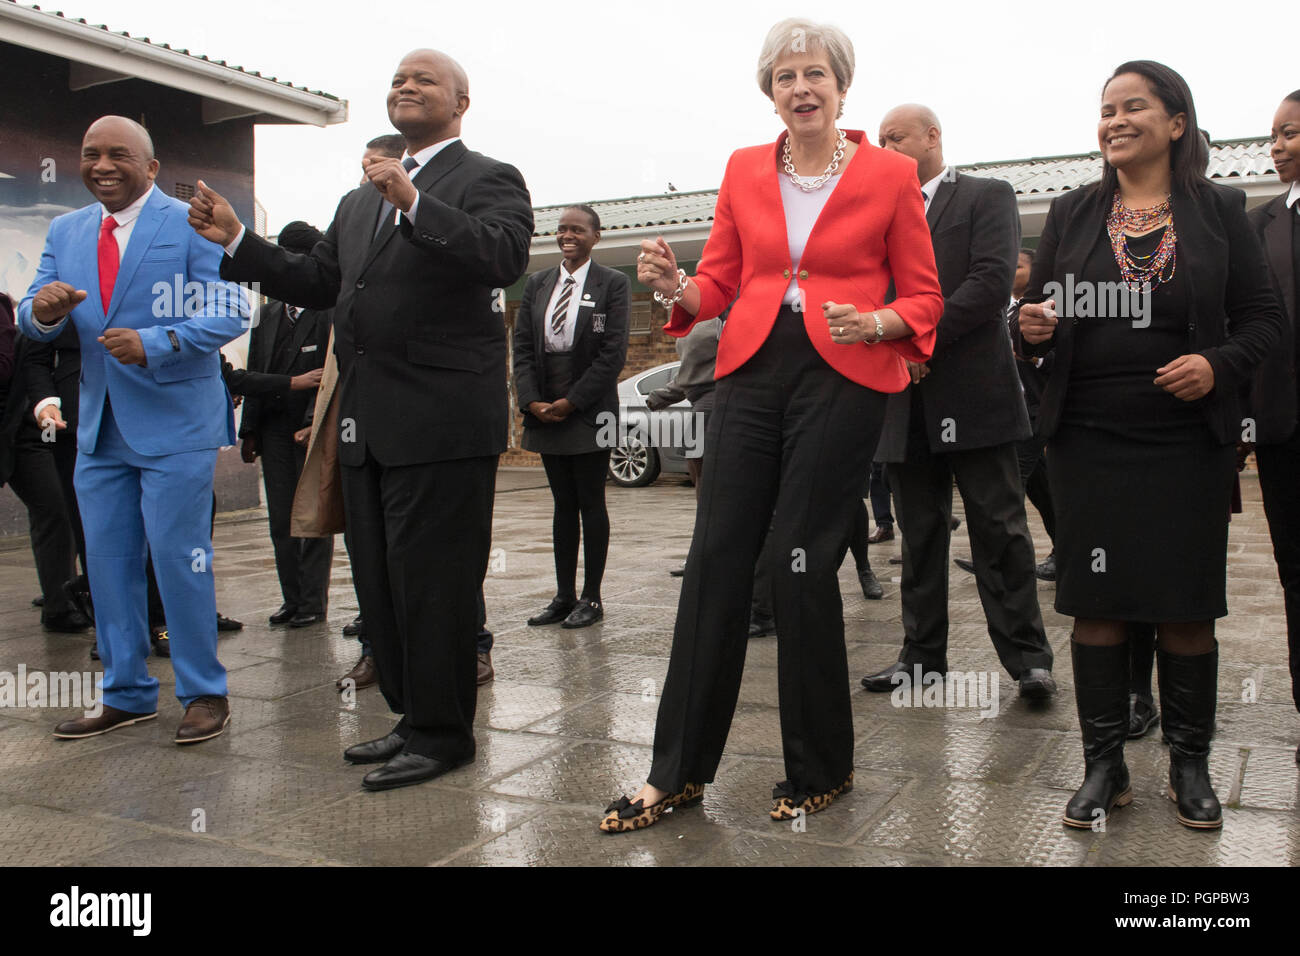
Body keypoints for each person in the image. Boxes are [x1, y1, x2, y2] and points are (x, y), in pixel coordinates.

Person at [600, 18, 943, 833]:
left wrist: (880, 322)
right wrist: (676, 287)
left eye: (815, 73)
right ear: (770, 93)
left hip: (844, 368)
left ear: (841, 85)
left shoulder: (892, 174)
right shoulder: (744, 169)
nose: (801, 88)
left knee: (798, 561)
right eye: (785, 77)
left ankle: (820, 766)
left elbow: (925, 297)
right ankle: (674, 773)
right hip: (751, 367)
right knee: (717, 557)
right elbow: (717, 283)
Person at [188, 49, 534, 791]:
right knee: (382, 587)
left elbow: (501, 256)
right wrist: (239, 242)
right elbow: (320, 284)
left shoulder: (486, 179)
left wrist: (414, 200)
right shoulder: (356, 202)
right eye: (397, 81)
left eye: (424, 80)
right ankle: (412, 718)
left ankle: (445, 736)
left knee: (435, 584)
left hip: (442, 423)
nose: (406, 88)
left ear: (461, 102)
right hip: (367, 424)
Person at [1016, 61, 1283, 829]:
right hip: (1088, 441)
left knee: (1185, 609)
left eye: (1135, 106)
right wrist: (1027, 328)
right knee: (1095, 605)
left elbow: (1264, 319)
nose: (1115, 120)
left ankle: (1189, 766)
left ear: (1176, 123)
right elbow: (1035, 314)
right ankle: (1105, 767)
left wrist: (1216, 365)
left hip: (1183, 445)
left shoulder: (1220, 209)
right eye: (1106, 109)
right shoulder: (1071, 212)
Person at [18, 115, 248, 743]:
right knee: (108, 564)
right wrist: (38, 313)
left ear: (150, 167)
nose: (102, 166)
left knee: (180, 560)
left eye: (119, 154)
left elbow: (232, 307)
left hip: (175, 424)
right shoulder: (66, 230)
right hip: (97, 428)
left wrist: (159, 341)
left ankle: (204, 692)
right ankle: (125, 692)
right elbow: (32, 308)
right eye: (91, 154)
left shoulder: (190, 220)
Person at [863, 105, 1056, 701]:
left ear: (932, 136)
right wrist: (892, 340)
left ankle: (1029, 660)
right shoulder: (876, 210)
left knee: (999, 527)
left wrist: (917, 336)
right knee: (919, 535)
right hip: (903, 397)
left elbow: (990, 281)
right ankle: (921, 659)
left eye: (894, 137)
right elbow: (868, 289)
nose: (884, 145)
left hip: (974, 393)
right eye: (878, 140)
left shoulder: (984, 196)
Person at [516, 205, 629, 629]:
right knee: (563, 505)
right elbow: (523, 348)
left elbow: (612, 353)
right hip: (545, 410)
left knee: (590, 502)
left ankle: (592, 598)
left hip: (589, 409)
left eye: (577, 229)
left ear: (595, 236)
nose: (568, 235)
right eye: (562, 229)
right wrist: (531, 400)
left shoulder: (613, 284)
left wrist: (573, 402)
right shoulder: (537, 284)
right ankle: (563, 595)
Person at [230, 221, 333, 629]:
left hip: (310, 430)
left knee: (311, 517)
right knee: (281, 520)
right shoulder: (267, 314)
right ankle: (291, 598)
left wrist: (315, 423)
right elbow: (256, 371)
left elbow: (331, 377)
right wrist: (250, 431)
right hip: (272, 429)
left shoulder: (329, 311)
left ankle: (312, 602)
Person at [1248, 90, 1300, 765]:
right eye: (1275, 136)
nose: (1278, 146)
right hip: (1286, 434)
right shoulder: (1260, 226)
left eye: (1291, 132)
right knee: (1296, 575)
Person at [0, 302, 90, 634]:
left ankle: (63, 592)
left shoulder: (35, 315)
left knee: (62, 510)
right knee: (55, 511)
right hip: (24, 432)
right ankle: (58, 603)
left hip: (48, 426)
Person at [647, 315, 722, 577]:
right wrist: (658, 398)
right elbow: (688, 375)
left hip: (711, 406)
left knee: (707, 489)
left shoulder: (713, 321)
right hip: (703, 405)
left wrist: (658, 397)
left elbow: (690, 376)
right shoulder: (697, 322)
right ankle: (705, 555)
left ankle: (705, 557)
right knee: (706, 489)